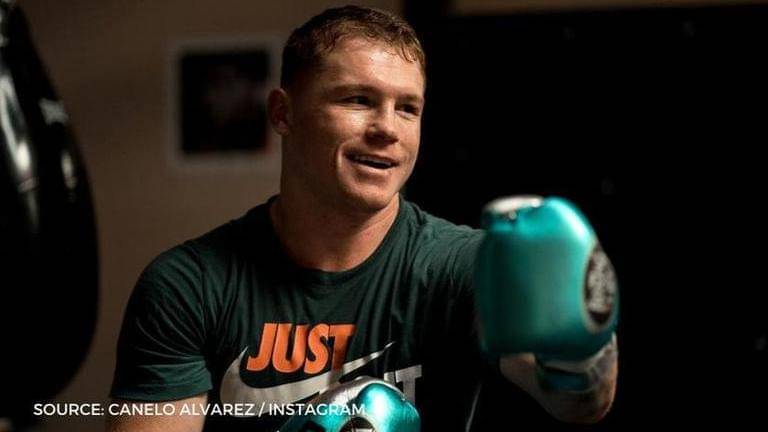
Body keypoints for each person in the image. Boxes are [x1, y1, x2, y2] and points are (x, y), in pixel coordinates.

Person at [108, 5, 618, 432]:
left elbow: (581, 405)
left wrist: (581, 351)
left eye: (407, 108)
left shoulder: (467, 267)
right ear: (283, 113)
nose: (387, 129)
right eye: (358, 100)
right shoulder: (188, 287)